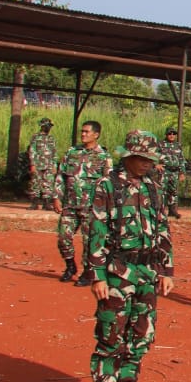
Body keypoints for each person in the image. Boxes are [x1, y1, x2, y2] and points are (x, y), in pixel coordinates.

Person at [86, 130, 174, 382]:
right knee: (111, 335)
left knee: (141, 335)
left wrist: (166, 270)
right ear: (129, 157)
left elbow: (163, 229)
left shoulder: (153, 188)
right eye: (142, 158)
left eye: (151, 159)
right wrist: (97, 276)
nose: (148, 163)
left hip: (147, 272)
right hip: (117, 272)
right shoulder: (108, 185)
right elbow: (97, 231)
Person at [54, 121, 111, 285]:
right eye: (82, 131)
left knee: (89, 242)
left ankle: (87, 272)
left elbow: (108, 182)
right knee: (63, 238)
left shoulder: (103, 156)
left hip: (91, 207)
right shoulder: (72, 152)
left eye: (87, 132)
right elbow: (61, 176)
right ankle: (70, 266)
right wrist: (56, 197)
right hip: (70, 204)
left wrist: (104, 206)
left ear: (96, 135)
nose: (83, 134)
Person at [27, 117, 59, 210]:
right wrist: (32, 164)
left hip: (49, 165)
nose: (49, 128)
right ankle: (34, 203)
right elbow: (32, 151)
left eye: (50, 126)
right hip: (37, 164)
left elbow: (54, 152)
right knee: (35, 183)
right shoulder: (35, 137)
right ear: (42, 126)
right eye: (47, 126)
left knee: (48, 184)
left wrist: (54, 165)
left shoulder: (51, 138)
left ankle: (47, 203)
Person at [157, 127, 187, 218]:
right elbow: (153, 155)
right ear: (166, 134)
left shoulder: (178, 145)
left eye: (174, 134)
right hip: (164, 171)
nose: (172, 135)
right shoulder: (160, 144)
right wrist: (156, 164)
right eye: (170, 133)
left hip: (174, 172)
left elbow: (181, 159)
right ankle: (160, 210)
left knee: (173, 192)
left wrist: (182, 172)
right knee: (162, 191)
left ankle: (172, 210)